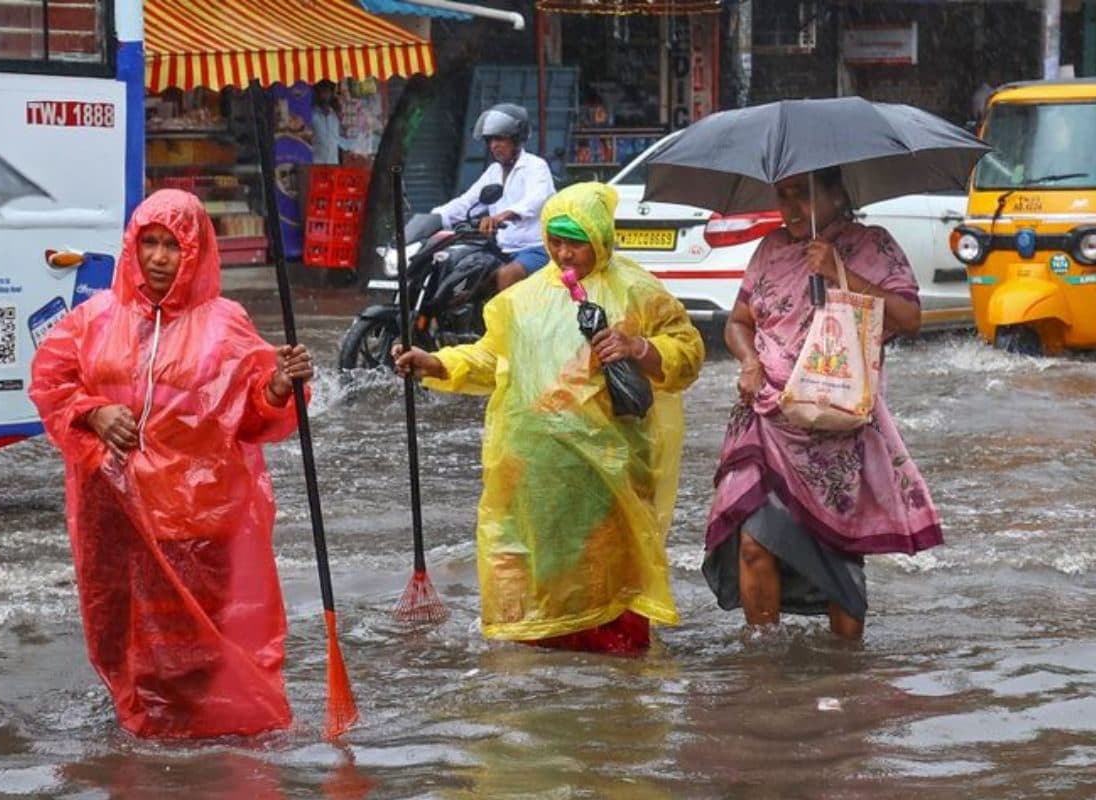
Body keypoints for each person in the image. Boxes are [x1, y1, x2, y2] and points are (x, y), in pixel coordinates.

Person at [28, 189, 312, 738]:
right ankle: (153, 749)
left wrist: (278, 385)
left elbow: (251, 412)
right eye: (149, 243)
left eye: (172, 246)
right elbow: (50, 384)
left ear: (196, 253)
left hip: (199, 526)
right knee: (130, 645)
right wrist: (93, 412)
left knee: (201, 651)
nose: (159, 258)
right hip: (114, 522)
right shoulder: (93, 320)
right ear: (132, 248)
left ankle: (201, 757)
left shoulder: (225, 323)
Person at [395, 182, 705, 653]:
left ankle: (614, 691)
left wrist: (639, 347)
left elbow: (688, 353)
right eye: (554, 241)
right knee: (544, 578)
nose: (563, 253)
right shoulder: (520, 302)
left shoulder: (639, 291)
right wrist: (437, 364)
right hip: (534, 470)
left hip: (609, 471)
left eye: (575, 241)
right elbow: (491, 360)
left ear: (600, 238)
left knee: (608, 579)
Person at [702, 167, 944, 641]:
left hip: (836, 424)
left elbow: (910, 319)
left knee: (837, 556)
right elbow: (738, 321)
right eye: (783, 196)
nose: (792, 209)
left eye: (804, 196)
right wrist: (749, 361)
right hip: (766, 415)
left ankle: (845, 669)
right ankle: (764, 663)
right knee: (752, 542)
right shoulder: (770, 249)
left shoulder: (872, 245)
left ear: (836, 195)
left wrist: (840, 272)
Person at [432, 103, 556, 292]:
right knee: (458, 271)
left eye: (500, 139)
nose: (494, 145)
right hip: (500, 249)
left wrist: (503, 216)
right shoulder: (493, 172)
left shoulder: (535, 166)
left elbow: (536, 199)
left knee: (506, 275)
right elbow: (467, 202)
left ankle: (506, 323)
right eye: (490, 140)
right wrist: (434, 219)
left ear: (517, 140)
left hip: (535, 248)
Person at [310, 79, 354, 165]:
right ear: (317, 93)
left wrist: (352, 145)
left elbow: (337, 139)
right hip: (316, 164)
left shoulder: (334, 116)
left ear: (331, 94)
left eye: (327, 92)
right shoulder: (312, 115)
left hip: (333, 163)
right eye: (322, 91)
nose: (324, 95)